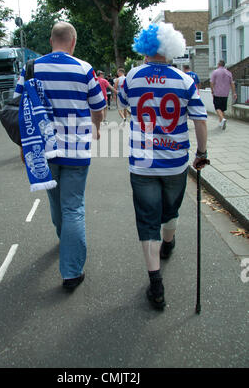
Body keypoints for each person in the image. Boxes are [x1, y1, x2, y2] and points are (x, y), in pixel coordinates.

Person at [118, 22, 208, 310]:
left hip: (142, 163)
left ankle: (155, 283)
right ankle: (168, 243)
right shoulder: (185, 80)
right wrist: (202, 152)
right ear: (172, 50)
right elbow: (200, 120)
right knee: (170, 210)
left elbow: (123, 104)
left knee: (147, 220)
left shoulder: (132, 76)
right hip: (175, 162)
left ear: (145, 49)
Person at [15, 21, 105, 289]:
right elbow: (98, 107)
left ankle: (64, 238)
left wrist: (23, 145)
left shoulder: (31, 68)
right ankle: (71, 272)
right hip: (76, 150)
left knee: (55, 201)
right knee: (73, 206)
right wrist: (97, 127)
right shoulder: (84, 68)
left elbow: (20, 109)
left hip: (43, 150)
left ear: (51, 40)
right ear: (73, 41)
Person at [210, 60, 237, 130]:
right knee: (222, 109)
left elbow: (212, 83)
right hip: (225, 93)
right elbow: (232, 83)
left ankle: (222, 119)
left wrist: (212, 90)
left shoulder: (215, 72)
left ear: (218, 64)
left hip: (217, 93)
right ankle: (221, 123)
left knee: (217, 108)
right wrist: (234, 93)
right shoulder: (229, 73)